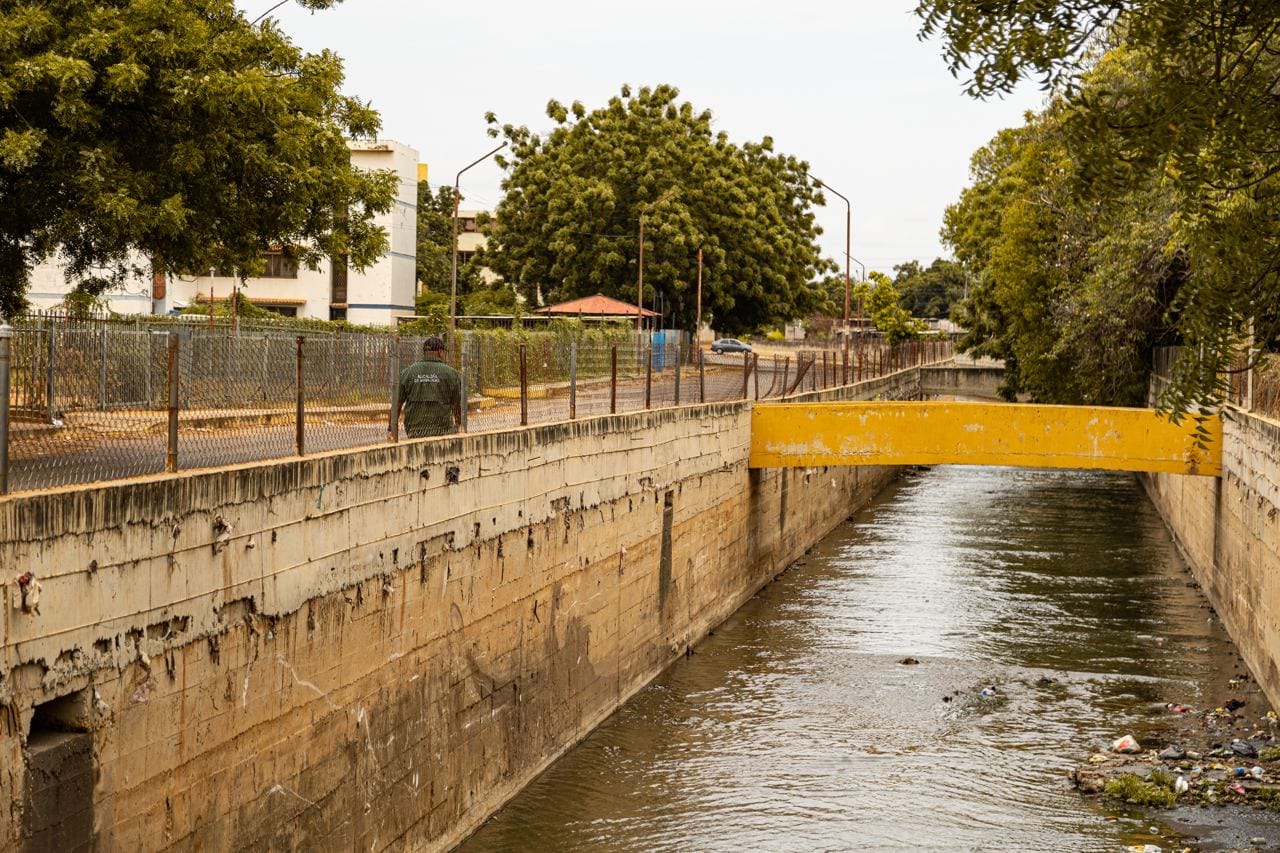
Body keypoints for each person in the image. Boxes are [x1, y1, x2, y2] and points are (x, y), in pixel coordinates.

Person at [396, 335, 461, 437]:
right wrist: (458, 424)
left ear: (424, 352)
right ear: (440, 352)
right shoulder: (451, 373)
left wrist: (391, 428)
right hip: (442, 430)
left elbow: (397, 403)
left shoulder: (408, 372)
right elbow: (456, 404)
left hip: (414, 429)